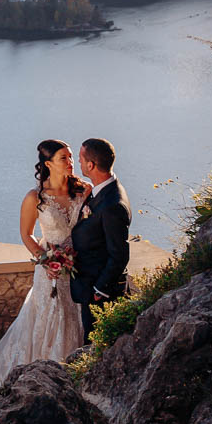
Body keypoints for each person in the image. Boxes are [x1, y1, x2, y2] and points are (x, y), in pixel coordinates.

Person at [0, 139, 89, 388]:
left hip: (80, 268)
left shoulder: (82, 191)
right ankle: (45, 375)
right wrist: (46, 259)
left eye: (70, 156)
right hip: (51, 271)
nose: (71, 162)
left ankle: (74, 371)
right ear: (48, 164)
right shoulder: (35, 197)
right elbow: (26, 234)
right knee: (51, 316)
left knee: (74, 314)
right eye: (63, 158)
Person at [70, 137, 132, 343]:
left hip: (102, 293)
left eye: (80, 158)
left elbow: (119, 254)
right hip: (91, 286)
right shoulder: (103, 190)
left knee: (96, 345)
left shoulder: (112, 204)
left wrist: (100, 290)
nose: (78, 163)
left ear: (91, 165)